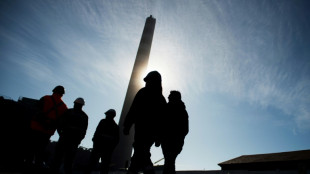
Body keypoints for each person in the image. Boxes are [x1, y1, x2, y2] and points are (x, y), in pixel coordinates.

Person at [123, 71, 167, 174]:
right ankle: (136, 170)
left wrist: (127, 126)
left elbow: (163, 120)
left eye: (148, 81)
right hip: (144, 131)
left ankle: (147, 170)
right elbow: (134, 110)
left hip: (145, 132)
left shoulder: (145, 93)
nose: (146, 83)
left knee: (141, 150)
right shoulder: (160, 98)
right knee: (141, 152)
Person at [25, 85, 68, 169]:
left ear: (53, 91)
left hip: (35, 128)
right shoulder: (64, 107)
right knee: (40, 152)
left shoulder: (45, 98)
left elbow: (36, 110)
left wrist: (42, 121)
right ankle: (36, 168)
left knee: (30, 150)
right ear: (62, 94)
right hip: (47, 132)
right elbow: (61, 123)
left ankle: (27, 167)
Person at [51, 97, 88, 174]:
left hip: (67, 138)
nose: (76, 105)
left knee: (61, 158)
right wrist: (79, 140)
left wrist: (60, 134)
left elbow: (59, 124)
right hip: (71, 139)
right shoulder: (84, 116)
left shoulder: (68, 112)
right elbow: (84, 131)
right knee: (67, 159)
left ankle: (57, 170)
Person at [160, 91, 189, 174]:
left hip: (171, 142)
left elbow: (185, 129)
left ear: (174, 97)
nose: (168, 97)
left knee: (169, 162)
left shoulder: (168, 109)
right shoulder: (182, 111)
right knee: (169, 162)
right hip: (173, 142)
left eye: (170, 96)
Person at [85, 109, 119, 174]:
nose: (106, 116)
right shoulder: (114, 126)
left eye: (107, 115)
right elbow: (97, 133)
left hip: (102, 148)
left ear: (111, 115)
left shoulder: (106, 123)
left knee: (98, 165)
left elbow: (116, 140)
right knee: (99, 165)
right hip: (102, 148)